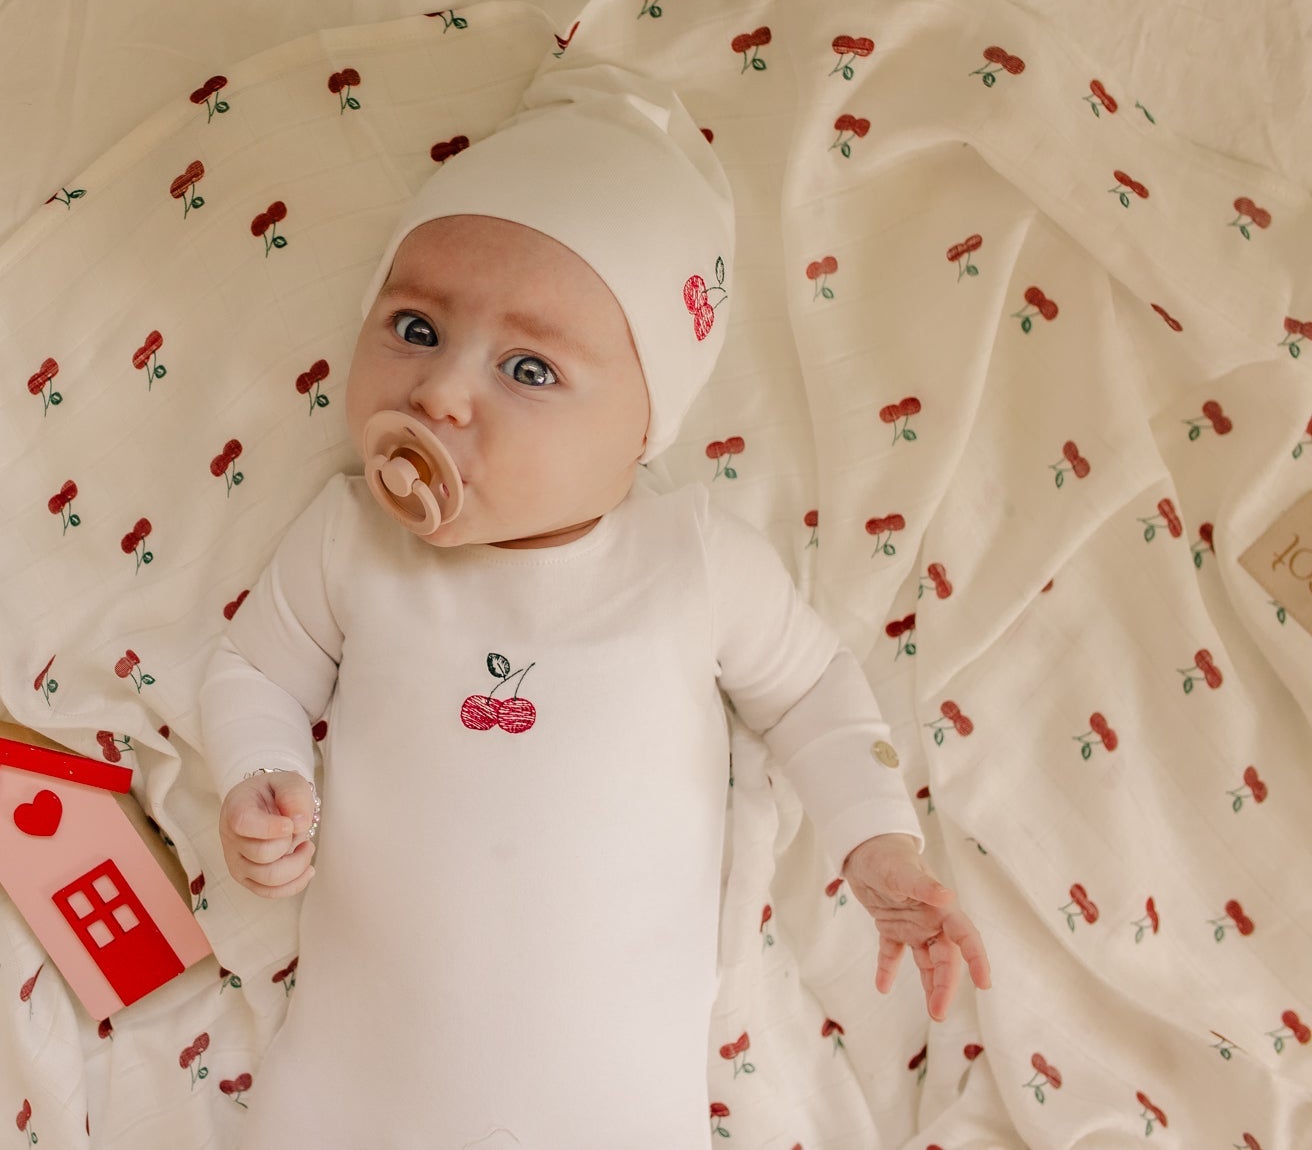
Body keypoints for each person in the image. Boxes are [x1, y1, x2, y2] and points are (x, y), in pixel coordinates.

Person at [197, 60, 991, 1146]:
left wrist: (873, 841)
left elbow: (809, 689)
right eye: (415, 329)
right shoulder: (351, 538)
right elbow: (251, 669)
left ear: (642, 429)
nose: (439, 392)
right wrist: (262, 771)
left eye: (527, 368)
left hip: (607, 1105)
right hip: (348, 1085)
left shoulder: (691, 559)